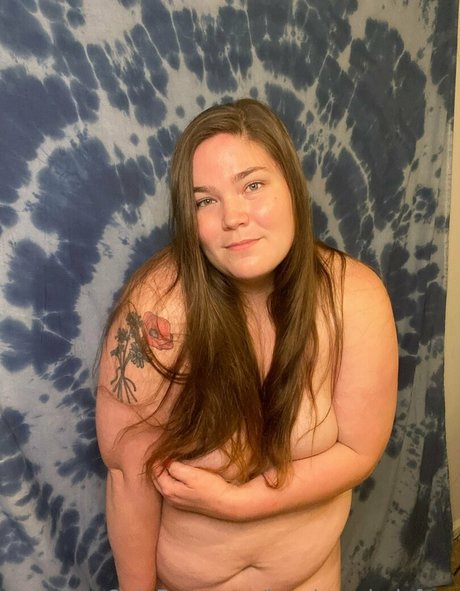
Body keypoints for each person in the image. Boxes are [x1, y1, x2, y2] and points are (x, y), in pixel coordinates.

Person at [96, 98, 398, 591]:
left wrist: (239, 504)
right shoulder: (156, 309)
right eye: (205, 201)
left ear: (292, 186)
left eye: (252, 185)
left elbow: (358, 451)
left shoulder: (356, 297)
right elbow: (128, 475)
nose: (232, 217)